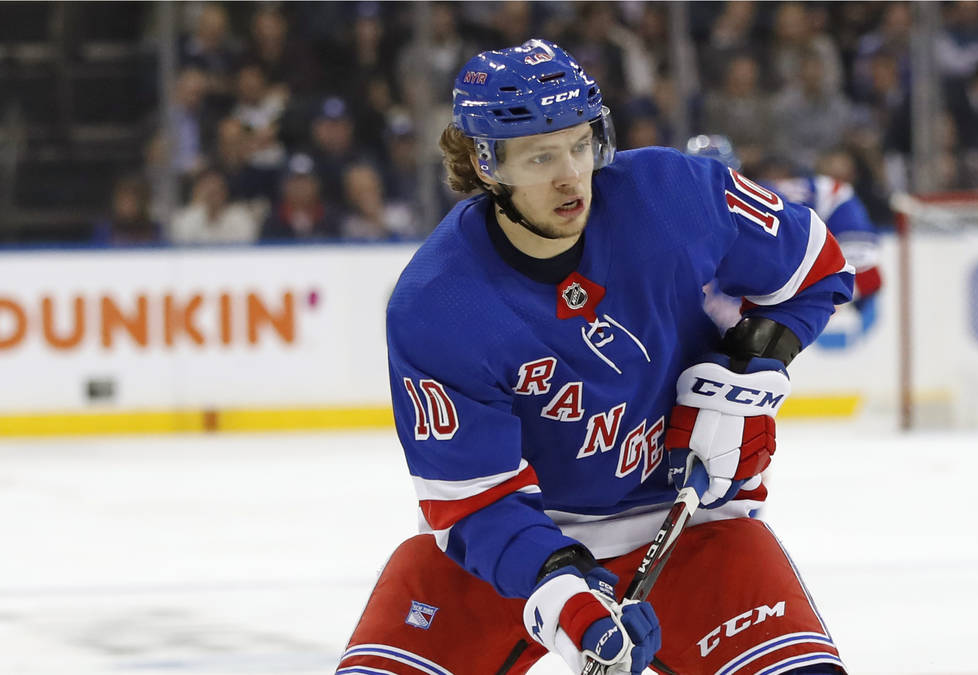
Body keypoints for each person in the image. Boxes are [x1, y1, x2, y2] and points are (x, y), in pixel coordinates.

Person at [337, 40, 853, 675]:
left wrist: (747, 366)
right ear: (486, 162)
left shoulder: (674, 194)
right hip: (514, 550)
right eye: (541, 156)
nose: (570, 175)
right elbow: (476, 504)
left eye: (581, 145)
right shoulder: (438, 305)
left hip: (692, 527)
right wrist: (569, 605)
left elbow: (818, 268)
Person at [685, 135, 882, 344]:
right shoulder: (684, 232)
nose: (711, 191)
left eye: (716, 179)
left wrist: (841, 277)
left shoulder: (762, 200)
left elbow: (835, 194)